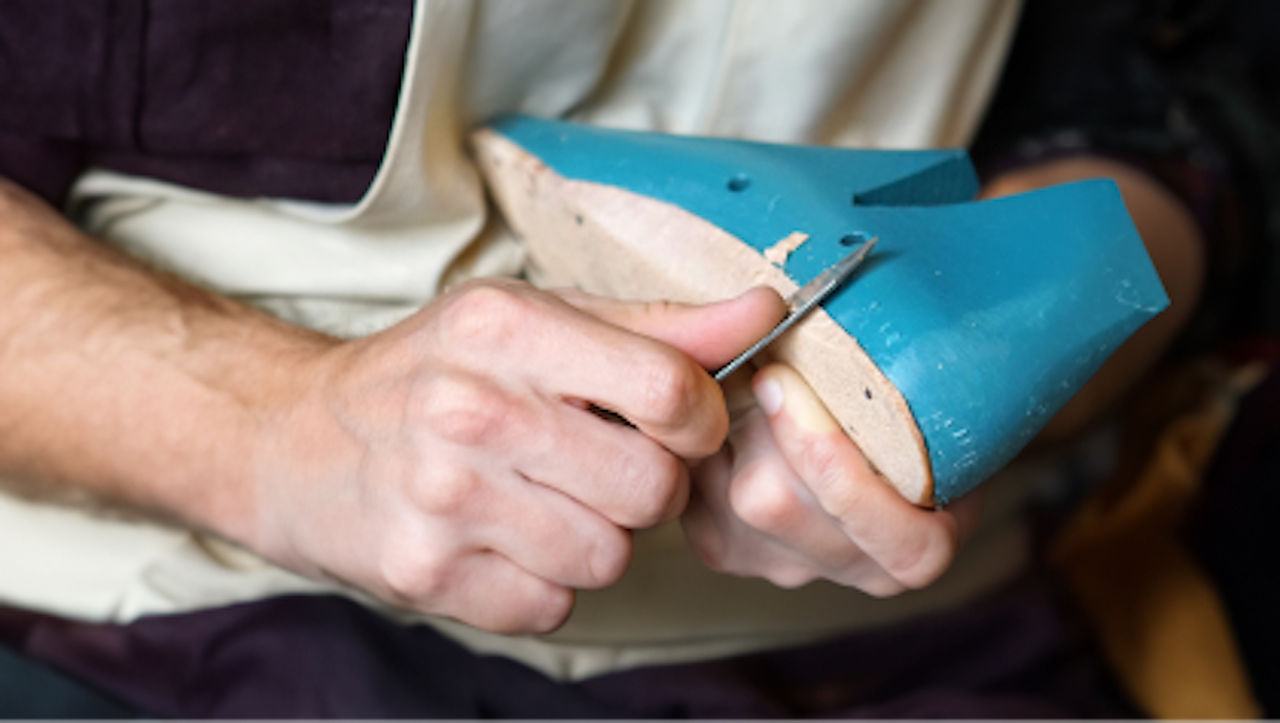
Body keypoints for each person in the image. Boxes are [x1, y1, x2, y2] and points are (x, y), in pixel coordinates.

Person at [0, 0, 1210, 716]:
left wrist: (999, 368)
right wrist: (269, 425)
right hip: (185, 616)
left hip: (915, 639)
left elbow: (1177, 117)